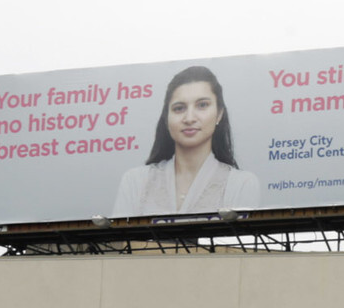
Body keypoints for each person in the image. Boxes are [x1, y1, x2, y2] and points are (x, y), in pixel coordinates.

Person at [111, 65, 263, 216]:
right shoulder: (136, 181)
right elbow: (119, 239)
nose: (189, 118)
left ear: (219, 114)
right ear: (166, 118)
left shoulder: (241, 184)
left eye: (202, 105)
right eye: (179, 108)